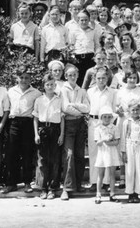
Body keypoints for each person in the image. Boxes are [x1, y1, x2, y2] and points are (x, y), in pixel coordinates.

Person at [1, 66, 42, 194]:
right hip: (13, 123)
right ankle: (11, 183)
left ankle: (27, 183)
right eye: (21, 77)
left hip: (28, 123)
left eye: (27, 78)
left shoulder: (36, 93)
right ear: (17, 78)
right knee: (11, 154)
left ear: (31, 79)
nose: (24, 80)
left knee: (27, 154)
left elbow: (37, 111)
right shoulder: (10, 91)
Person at [60, 64, 90, 200]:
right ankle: (66, 187)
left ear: (78, 75)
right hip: (68, 124)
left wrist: (76, 106)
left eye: (75, 74)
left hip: (80, 125)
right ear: (66, 76)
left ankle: (78, 184)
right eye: (70, 75)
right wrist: (80, 112)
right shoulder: (63, 90)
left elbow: (88, 108)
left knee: (79, 154)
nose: (72, 77)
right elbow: (65, 107)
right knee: (69, 155)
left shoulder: (82, 91)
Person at [33, 73, 65, 200]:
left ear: (55, 85)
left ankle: (53, 187)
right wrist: (36, 134)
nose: (50, 87)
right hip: (42, 130)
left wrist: (61, 134)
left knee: (55, 160)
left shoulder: (59, 100)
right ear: (44, 86)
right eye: (47, 85)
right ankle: (43, 188)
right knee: (42, 160)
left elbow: (62, 119)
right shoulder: (39, 100)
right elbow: (35, 118)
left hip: (55, 130)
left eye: (52, 84)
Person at [87, 68, 117, 192]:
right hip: (94, 122)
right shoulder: (89, 92)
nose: (101, 80)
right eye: (98, 78)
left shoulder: (112, 92)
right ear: (94, 79)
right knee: (94, 151)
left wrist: (110, 125)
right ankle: (94, 181)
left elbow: (114, 109)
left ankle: (106, 182)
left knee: (107, 152)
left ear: (107, 79)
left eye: (103, 78)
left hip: (107, 123)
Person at [120, 102, 140, 203]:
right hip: (129, 146)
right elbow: (123, 138)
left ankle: (137, 193)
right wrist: (123, 152)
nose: (135, 112)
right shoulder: (126, 122)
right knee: (130, 170)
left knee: (138, 169)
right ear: (129, 111)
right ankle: (130, 193)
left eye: (137, 110)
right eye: (133, 110)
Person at [93, 106, 121, 204]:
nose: (107, 119)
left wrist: (110, 142)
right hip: (102, 153)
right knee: (100, 174)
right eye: (104, 117)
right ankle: (98, 194)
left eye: (109, 117)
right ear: (101, 118)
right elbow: (97, 143)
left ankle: (112, 194)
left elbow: (117, 142)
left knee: (112, 174)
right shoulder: (98, 128)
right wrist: (105, 139)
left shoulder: (114, 127)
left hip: (111, 152)